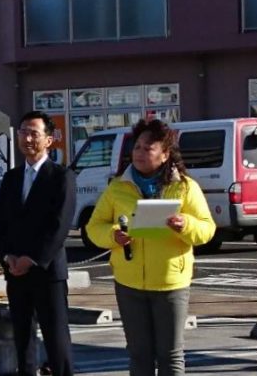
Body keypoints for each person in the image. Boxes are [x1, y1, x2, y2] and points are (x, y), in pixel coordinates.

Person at [86, 119, 215, 375]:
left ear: (165, 154)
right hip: (128, 282)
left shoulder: (185, 187)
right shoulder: (117, 187)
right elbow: (93, 228)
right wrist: (114, 235)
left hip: (171, 284)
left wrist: (185, 224)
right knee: (139, 355)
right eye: (137, 147)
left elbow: (207, 229)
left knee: (170, 355)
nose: (140, 153)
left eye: (148, 148)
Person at [0, 111, 75, 376]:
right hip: (16, 271)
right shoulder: (12, 177)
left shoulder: (61, 176)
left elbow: (59, 226)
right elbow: (0, 222)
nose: (27, 138)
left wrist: (34, 258)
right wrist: (7, 256)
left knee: (56, 338)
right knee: (23, 336)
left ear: (49, 140)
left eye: (34, 133)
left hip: (47, 270)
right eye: (23, 132)